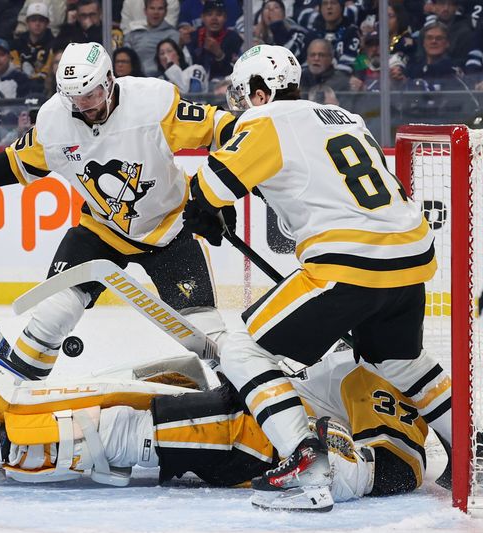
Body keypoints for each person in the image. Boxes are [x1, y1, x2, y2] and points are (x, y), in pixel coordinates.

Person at [184, 44, 451, 512]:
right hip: (410, 255)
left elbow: (211, 185)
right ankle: (475, 445)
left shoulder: (264, 120)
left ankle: (305, 461)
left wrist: (205, 210)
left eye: (245, 94)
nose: (241, 105)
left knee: (242, 346)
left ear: (261, 92)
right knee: (398, 361)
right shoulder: (343, 116)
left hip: (349, 263)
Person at [0, 42, 237, 380]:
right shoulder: (54, 120)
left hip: (170, 229)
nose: (82, 105)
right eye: (73, 97)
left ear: (108, 81)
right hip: (101, 232)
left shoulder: (154, 102)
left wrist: (218, 193)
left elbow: (223, 130)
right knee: (53, 313)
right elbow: (19, 161)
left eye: (89, 94)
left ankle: (247, 392)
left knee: (204, 332)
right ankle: (20, 400)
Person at [0, 348, 430, 505]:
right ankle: (27, 416)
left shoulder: (384, 375)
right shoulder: (358, 354)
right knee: (169, 376)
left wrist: (323, 457)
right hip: (257, 411)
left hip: (255, 434)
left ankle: (10, 445)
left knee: (128, 424)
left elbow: (401, 465)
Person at [187, 1, 243, 81]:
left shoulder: (234, 39)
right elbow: (188, 67)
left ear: (225, 18)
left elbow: (235, 72)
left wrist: (219, 54)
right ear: (202, 17)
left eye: (219, 15)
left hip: (223, 84)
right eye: (209, 14)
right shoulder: (193, 37)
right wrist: (181, 44)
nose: (214, 18)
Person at [123, 0, 180, 77]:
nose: (156, 12)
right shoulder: (132, 35)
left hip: (163, 80)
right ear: (145, 11)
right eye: (152, 8)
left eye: (160, 9)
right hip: (136, 80)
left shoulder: (173, 35)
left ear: (166, 12)